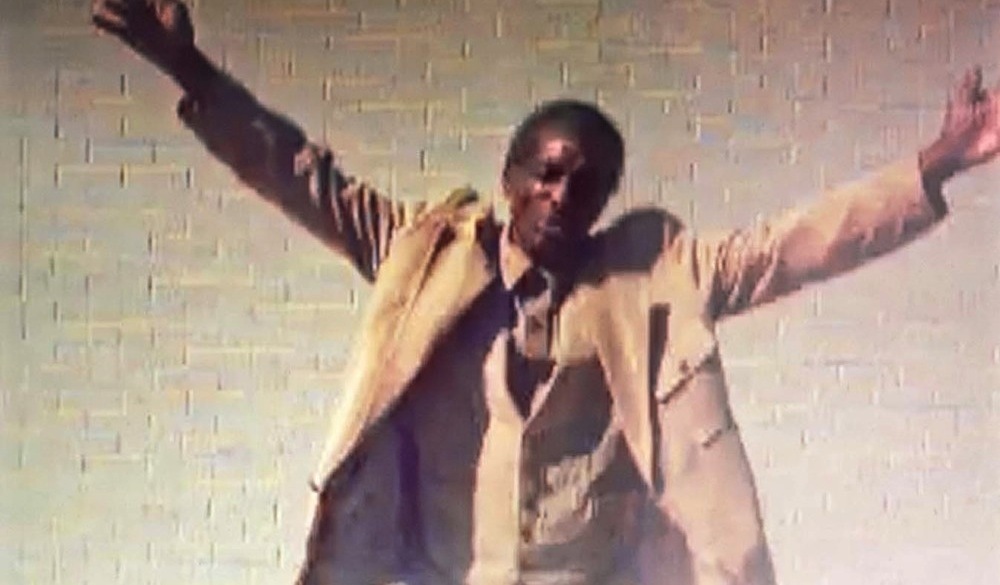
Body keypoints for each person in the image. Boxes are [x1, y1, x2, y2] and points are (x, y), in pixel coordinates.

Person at [92, 1, 999, 584]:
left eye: (587, 183)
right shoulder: (425, 254)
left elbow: (793, 246)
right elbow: (300, 174)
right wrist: (190, 71)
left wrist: (935, 164)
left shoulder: (657, 275)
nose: (563, 195)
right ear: (511, 176)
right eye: (549, 173)